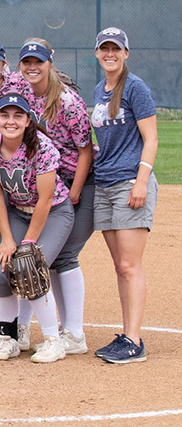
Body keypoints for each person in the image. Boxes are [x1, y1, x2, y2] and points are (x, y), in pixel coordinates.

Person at [0, 93, 74, 363]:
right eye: (5, 115)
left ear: (28, 120)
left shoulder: (42, 147)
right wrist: (7, 238)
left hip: (54, 212)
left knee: (28, 267)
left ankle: (53, 342)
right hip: (16, 213)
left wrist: (28, 242)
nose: (10, 121)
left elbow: (45, 199)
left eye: (18, 116)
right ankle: (9, 338)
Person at [16, 39, 94, 354]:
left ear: (50, 63)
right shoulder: (21, 93)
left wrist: (74, 192)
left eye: (39, 61)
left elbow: (86, 150)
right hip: (46, 183)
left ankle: (74, 333)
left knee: (64, 255)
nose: (32, 67)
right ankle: (35, 329)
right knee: (45, 257)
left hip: (78, 183)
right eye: (27, 62)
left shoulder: (67, 101)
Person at [91, 27, 158, 364]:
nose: (110, 54)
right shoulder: (100, 90)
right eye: (104, 48)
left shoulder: (135, 88)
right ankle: (127, 334)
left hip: (129, 183)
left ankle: (134, 340)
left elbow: (151, 138)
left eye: (116, 48)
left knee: (130, 266)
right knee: (120, 267)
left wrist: (141, 181)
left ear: (126, 53)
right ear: (97, 53)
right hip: (105, 185)